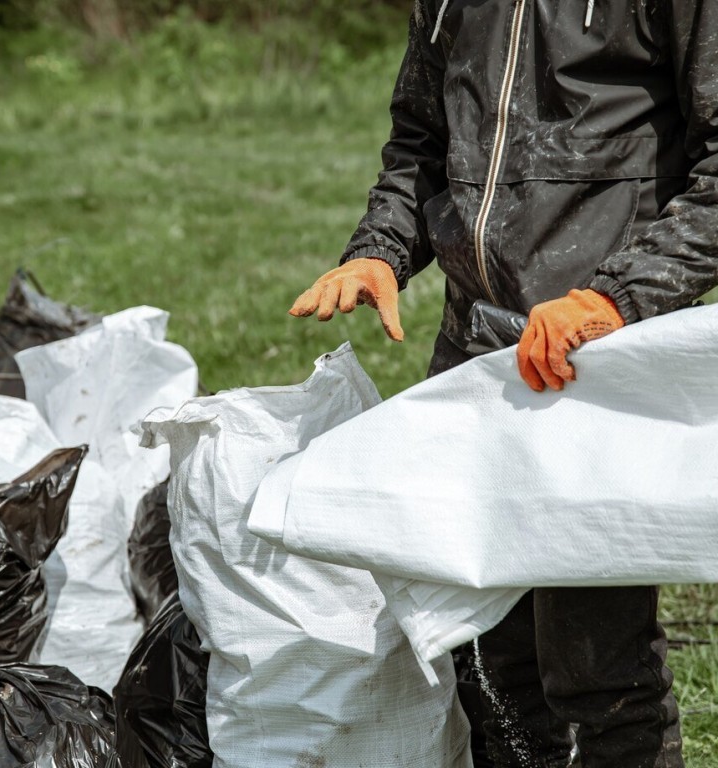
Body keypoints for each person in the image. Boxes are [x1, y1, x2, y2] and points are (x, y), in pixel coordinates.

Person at [288, 1, 718, 766]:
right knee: (483, 657)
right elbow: (421, 137)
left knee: (595, 671)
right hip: (475, 353)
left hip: (594, 360)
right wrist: (382, 249)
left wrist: (616, 298)